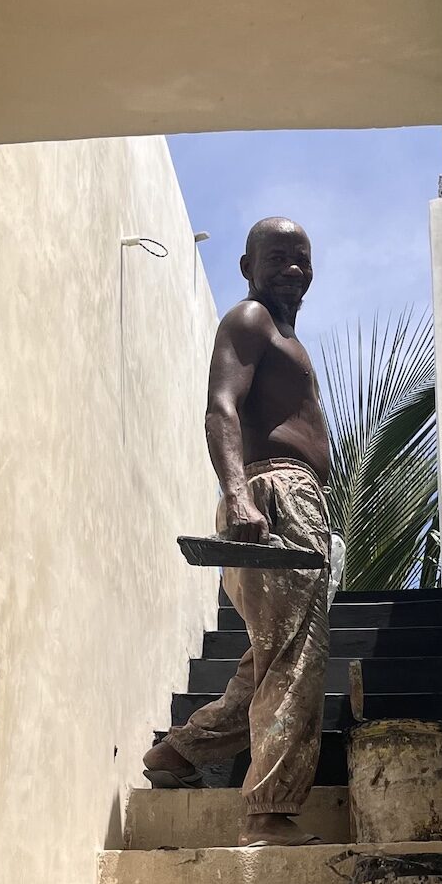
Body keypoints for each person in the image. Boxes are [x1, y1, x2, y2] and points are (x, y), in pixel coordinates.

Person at [142, 217, 331, 846]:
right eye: (278, 258)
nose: (294, 270)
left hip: (288, 500)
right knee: (295, 660)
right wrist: (239, 496)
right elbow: (220, 407)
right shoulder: (248, 321)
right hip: (272, 495)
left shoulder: (283, 335)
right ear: (246, 266)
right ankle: (268, 812)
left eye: (302, 259)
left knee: (268, 657)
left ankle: (180, 753)